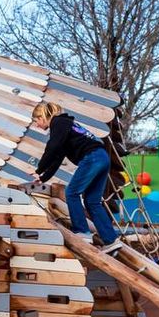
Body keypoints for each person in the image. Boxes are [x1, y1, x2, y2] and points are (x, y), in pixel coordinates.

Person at [33, 102, 120, 252]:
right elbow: (58, 157)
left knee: (72, 193)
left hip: (92, 157)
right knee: (92, 201)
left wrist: (38, 169)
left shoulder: (58, 122)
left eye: (36, 121)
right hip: (102, 157)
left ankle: (82, 231)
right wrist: (43, 177)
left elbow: (52, 148)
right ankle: (111, 240)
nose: (36, 125)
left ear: (42, 117)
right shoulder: (67, 126)